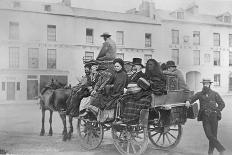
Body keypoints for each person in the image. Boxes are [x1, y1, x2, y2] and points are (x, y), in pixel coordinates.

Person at [186, 79, 225, 155]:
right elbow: (192, 98)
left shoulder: (215, 94)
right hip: (205, 117)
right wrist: (188, 101)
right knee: (209, 135)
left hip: (214, 117)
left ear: (209, 84)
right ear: (202, 84)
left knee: (213, 136)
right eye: (204, 84)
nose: (205, 85)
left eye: (207, 84)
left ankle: (210, 153)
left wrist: (217, 110)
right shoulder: (200, 94)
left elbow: (222, 104)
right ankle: (221, 149)